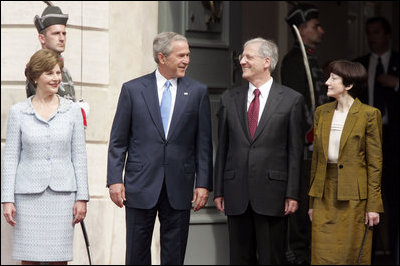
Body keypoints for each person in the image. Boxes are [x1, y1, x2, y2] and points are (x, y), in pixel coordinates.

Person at [107, 32, 213, 265]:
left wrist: (203, 183)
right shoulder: (132, 90)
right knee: (136, 253)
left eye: (188, 55)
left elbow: (203, 143)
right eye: (181, 55)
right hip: (140, 184)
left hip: (179, 184)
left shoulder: (197, 92)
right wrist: (115, 179)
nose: (187, 60)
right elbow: (118, 141)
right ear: (162, 57)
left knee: (174, 254)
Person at [214, 37, 305, 264]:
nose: (241, 60)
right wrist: (218, 190)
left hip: (273, 194)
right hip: (236, 194)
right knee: (239, 258)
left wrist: (292, 193)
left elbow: (295, 152)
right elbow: (223, 147)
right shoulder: (228, 98)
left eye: (248, 57)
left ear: (266, 62)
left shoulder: (291, 100)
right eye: (241, 56)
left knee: (271, 258)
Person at [1, 49, 89, 265]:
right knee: (29, 261)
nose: (57, 78)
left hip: (63, 197)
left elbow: (79, 156)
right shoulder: (18, 112)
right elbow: (10, 157)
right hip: (27, 198)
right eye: (50, 73)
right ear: (36, 77)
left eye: (58, 73)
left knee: (59, 261)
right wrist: (7, 199)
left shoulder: (72, 111)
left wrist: (82, 197)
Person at [308, 60, 384, 265]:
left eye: (333, 78)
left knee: (349, 256)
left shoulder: (369, 115)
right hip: (323, 195)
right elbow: (316, 160)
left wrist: (373, 206)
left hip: (354, 199)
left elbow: (375, 164)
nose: (327, 82)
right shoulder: (321, 112)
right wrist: (312, 202)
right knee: (321, 255)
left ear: (348, 85)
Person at [280, 4, 329, 264]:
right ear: (301, 30)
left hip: (317, 148)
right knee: (300, 203)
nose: (321, 31)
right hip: (303, 148)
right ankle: (296, 255)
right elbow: (299, 106)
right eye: (315, 27)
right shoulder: (294, 61)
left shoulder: (310, 57)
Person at [354, 16, 399, 264]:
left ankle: (393, 254)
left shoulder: (397, 62)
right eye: (368, 33)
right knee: (366, 198)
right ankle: (365, 256)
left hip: (393, 141)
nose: (372, 37)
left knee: (393, 199)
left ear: (387, 35)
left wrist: (396, 84)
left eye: (376, 32)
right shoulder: (360, 64)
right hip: (365, 139)